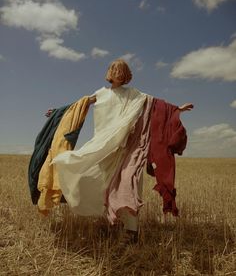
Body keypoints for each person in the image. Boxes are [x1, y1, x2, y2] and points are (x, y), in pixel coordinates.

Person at [46, 58, 194, 243]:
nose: (118, 73)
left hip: (129, 149)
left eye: (122, 70)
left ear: (126, 75)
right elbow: (79, 106)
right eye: (115, 70)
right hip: (104, 147)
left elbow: (155, 105)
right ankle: (112, 218)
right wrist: (59, 112)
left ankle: (132, 231)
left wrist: (176, 109)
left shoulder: (133, 94)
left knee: (129, 185)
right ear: (110, 72)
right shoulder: (101, 93)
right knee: (97, 181)